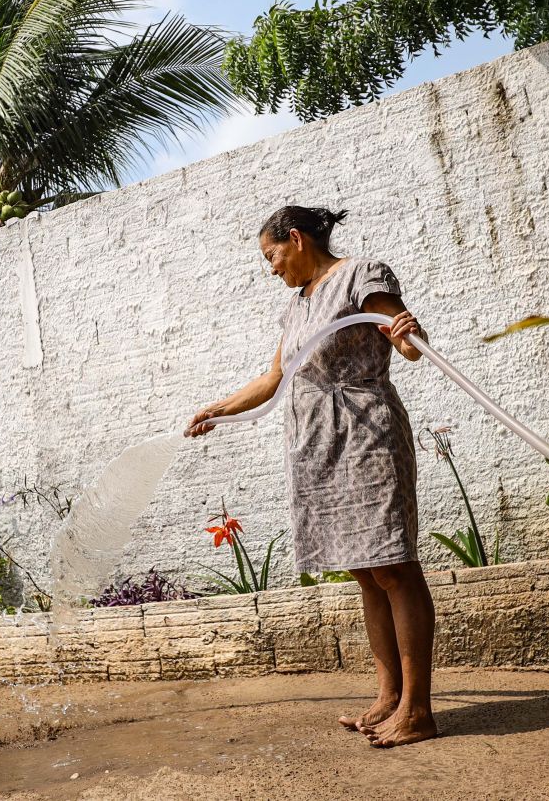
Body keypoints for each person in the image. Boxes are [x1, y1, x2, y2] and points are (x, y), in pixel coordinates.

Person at [185, 205, 437, 747]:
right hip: (318, 445)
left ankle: (417, 709)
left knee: (393, 566)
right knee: (364, 571)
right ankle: (389, 696)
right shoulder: (296, 306)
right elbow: (276, 377)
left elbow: (403, 341)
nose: (271, 267)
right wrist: (218, 410)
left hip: (365, 432)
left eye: (271, 255)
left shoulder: (360, 274)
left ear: (296, 239)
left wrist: (406, 334)